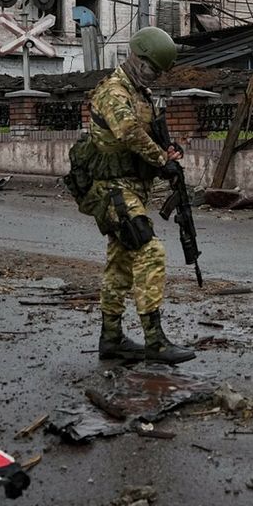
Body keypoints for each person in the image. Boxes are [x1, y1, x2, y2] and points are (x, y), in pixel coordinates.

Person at [78, 26, 195, 364]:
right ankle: (155, 342)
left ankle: (111, 338)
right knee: (150, 251)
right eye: (153, 67)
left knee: (119, 265)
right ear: (138, 56)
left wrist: (167, 151)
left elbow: (146, 135)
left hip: (131, 189)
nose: (155, 75)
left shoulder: (140, 93)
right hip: (112, 189)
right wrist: (161, 160)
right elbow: (129, 132)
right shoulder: (114, 91)